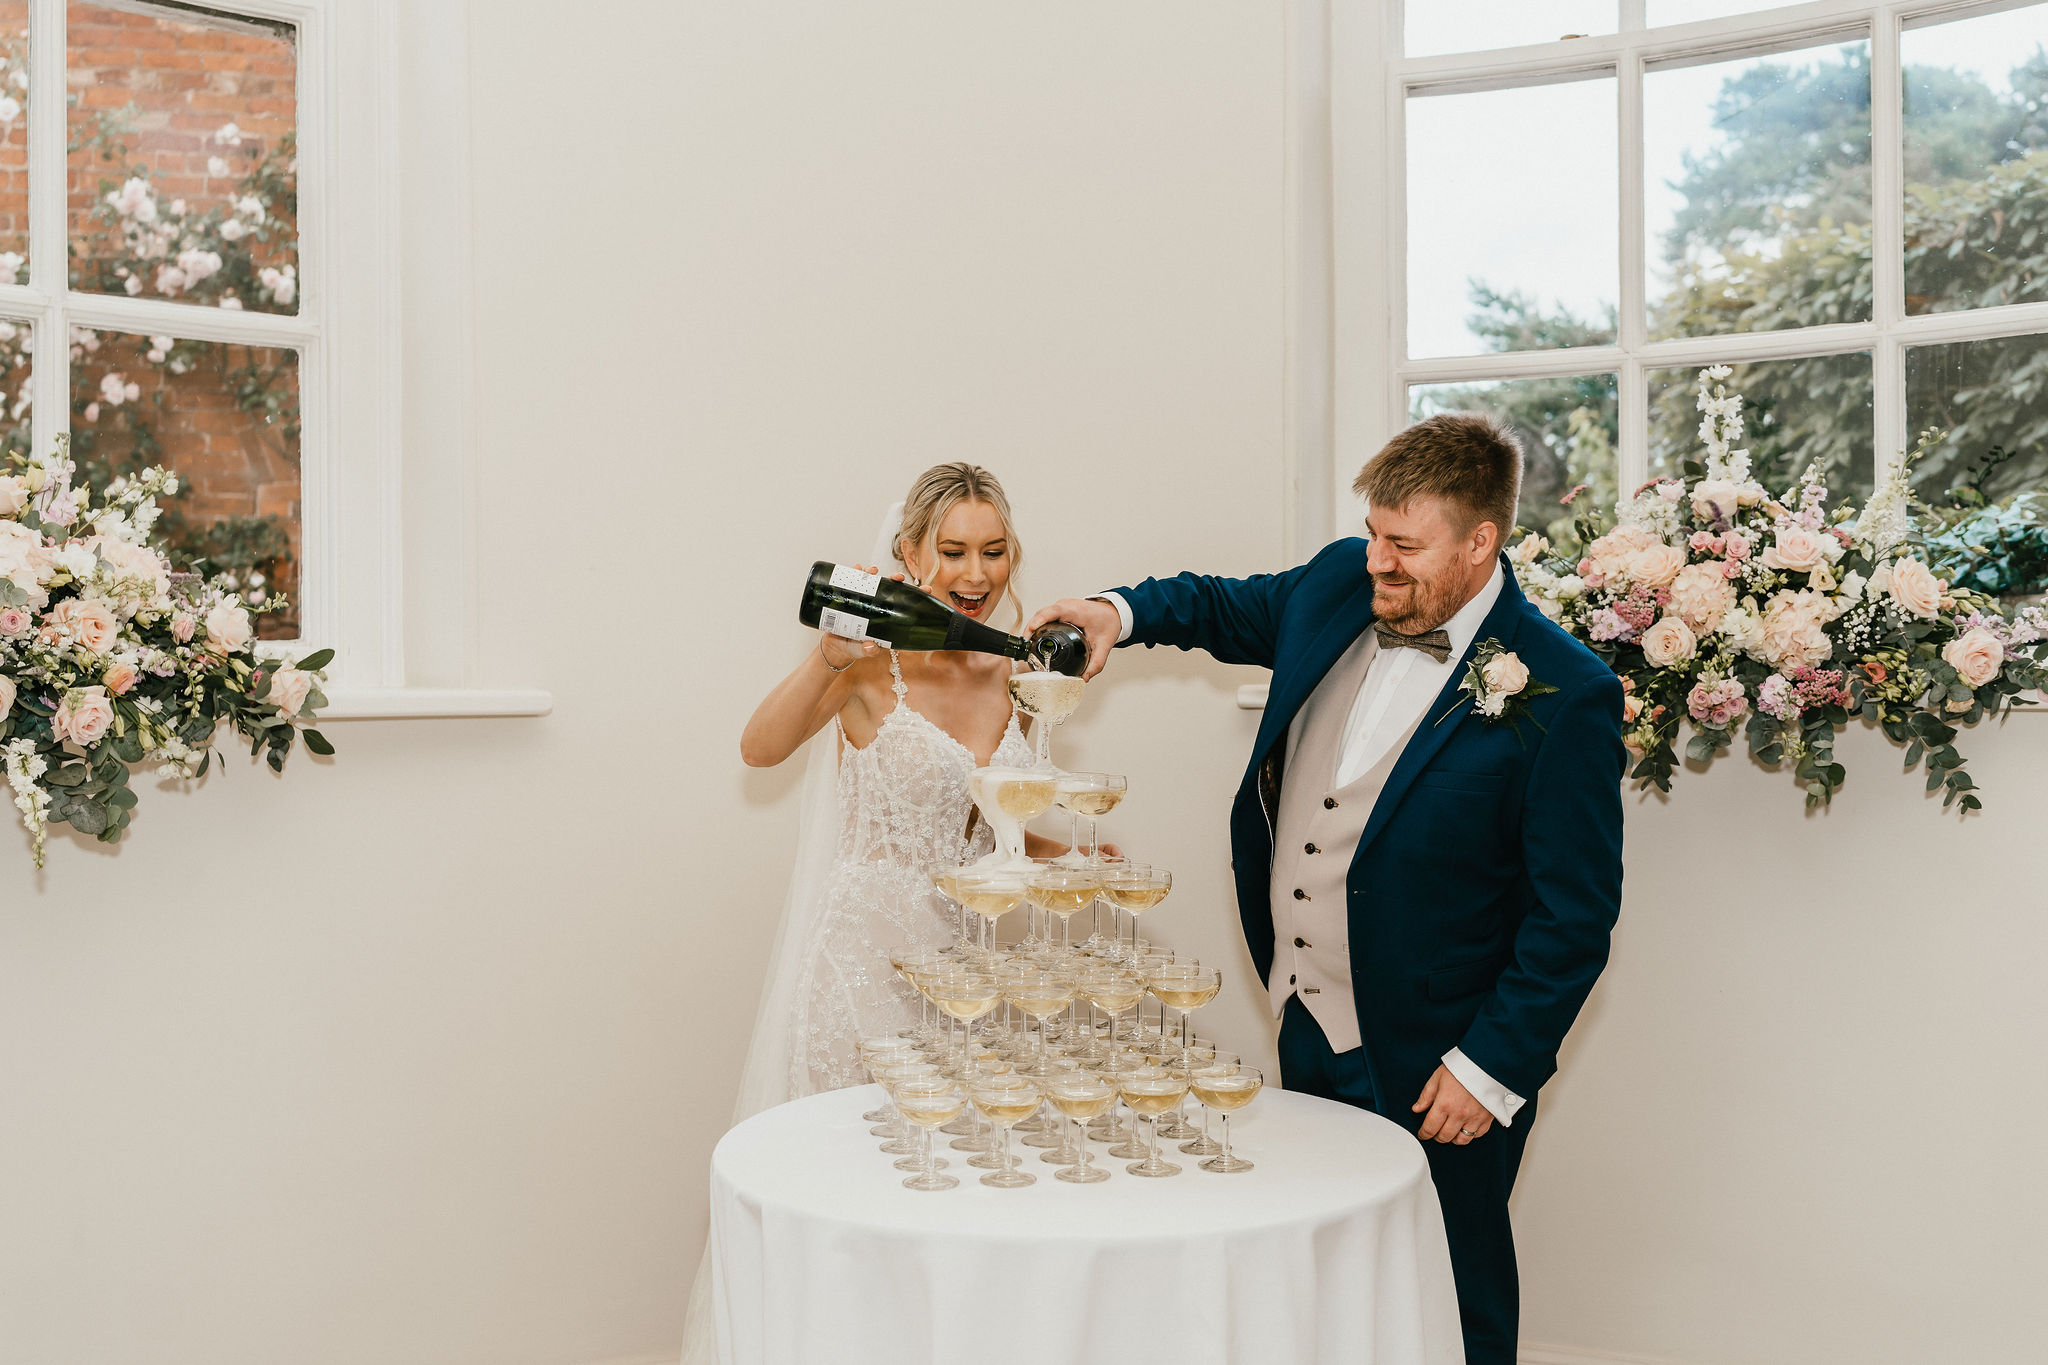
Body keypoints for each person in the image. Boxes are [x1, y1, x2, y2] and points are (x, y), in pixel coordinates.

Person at [1029, 414, 1626, 1364]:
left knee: (1448, 1283)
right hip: (1310, 1021)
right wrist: (1119, 611)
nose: (1378, 562)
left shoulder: (1566, 692)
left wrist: (1490, 1069)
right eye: (1372, 534)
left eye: (1405, 546)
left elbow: (1575, 917)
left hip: (1443, 1067)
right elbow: (1217, 605)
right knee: (1325, 1281)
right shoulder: (1336, 587)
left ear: (1482, 543)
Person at [683, 462, 1067, 1364]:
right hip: (867, 961)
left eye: (995, 550)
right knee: (860, 1189)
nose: (976, 572)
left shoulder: (1014, 670)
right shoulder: (870, 664)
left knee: (960, 1186)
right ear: (908, 553)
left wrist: (1065, 852)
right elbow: (758, 747)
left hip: (969, 973)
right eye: (954, 550)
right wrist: (827, 653)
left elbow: (980, 823)